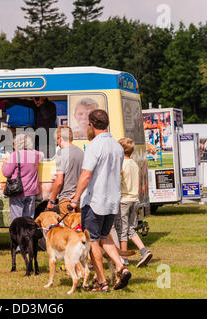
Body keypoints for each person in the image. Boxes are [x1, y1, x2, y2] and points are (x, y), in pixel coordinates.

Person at [70, 109, 131, 292]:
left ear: (91, 125)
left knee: (93, 241)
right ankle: (121, 267)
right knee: (105, 236)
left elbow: (86, 174)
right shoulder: (118, 147)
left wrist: (75, 198)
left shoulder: (94, 146)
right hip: (113, 201)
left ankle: (102, 282)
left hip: (95, 201)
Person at [115, 138, 153, 267]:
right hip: (135, 199)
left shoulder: (121, 165)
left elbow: (118, 182)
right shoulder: (134, 163)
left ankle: (124, 258)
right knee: (131, 228)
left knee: (122, 230)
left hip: (124, 201)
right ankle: (144, 250)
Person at [2, 134, 43, 221]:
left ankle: (18, 234)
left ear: (17, 144)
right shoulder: (36, 154)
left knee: (17, 221)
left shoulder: (15, 155)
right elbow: (42, 156)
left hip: (17, 190)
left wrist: (5, 163)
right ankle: (28, 234)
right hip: (32, 191)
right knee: (28, 220)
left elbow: (6, 173)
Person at [46, 125, 84, 216]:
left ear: (59, 138)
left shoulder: (61, 154)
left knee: (69, 230)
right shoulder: (81, 152)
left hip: (66, 199)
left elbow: (59, 182)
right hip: (80, 198)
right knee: (79, 228)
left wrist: (51, 200)